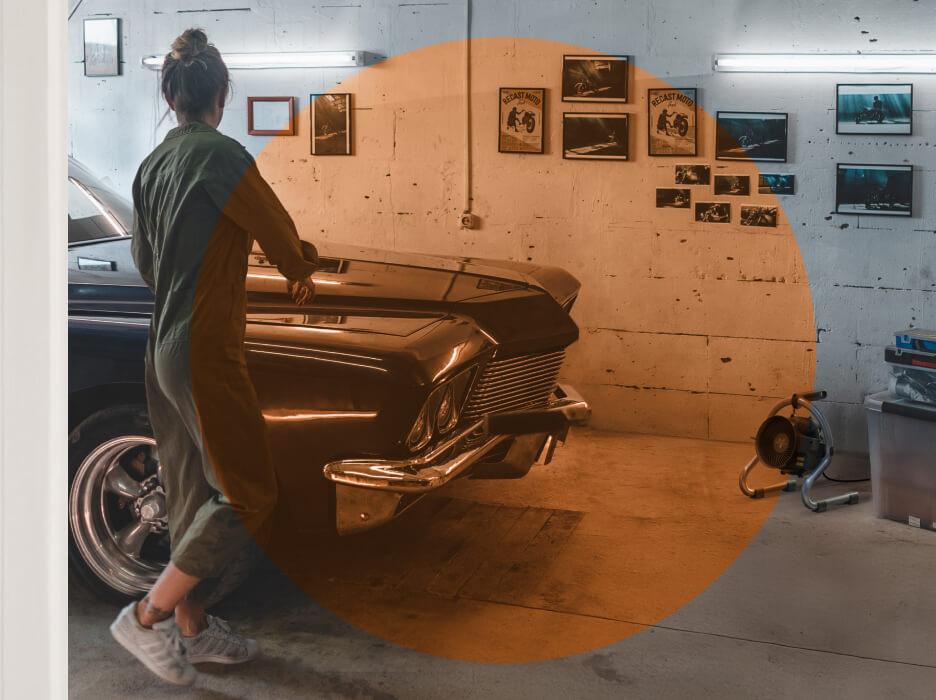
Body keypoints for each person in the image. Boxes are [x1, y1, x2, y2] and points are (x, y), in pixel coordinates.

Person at [109, 28, 318, 686]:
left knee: (190, 491)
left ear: (170, 95)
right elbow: (281, 235)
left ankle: (195, 633)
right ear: (222, 96)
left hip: (160, 346)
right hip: (204, 346)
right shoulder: (224, 157)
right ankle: (146, 616)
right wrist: (298, 269)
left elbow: (146, 263)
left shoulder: (150, 168)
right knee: (250, 493)